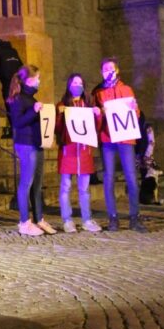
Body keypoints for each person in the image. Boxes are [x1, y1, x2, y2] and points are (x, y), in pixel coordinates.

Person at [92, 57, 146, 232]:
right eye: (105, 69)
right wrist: (98, 113)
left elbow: (135, 115)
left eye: (111, 68)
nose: (108, 72)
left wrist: (135, 108)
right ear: (102, 72)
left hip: (125, 138)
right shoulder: (98, 93)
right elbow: (96, 120)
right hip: (107, 139)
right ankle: (113, 218)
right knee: (108, 178)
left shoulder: (126, 89)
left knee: (131, 177)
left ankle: (134, 216)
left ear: (117, 70)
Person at [7, 64, 55, 235]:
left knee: (37, 184)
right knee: (26, 183)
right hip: (26, 144)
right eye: (36, 79)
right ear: (26, 80)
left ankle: (39, 218)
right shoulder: (18, 98)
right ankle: (24, 221)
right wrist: (33, 112)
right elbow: (17, 122)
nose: (38, 82)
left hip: (37, 143)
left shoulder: (32, 99)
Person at [56, 73, 101, 232]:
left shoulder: (88, 105)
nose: (77, 85)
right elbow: (58, 129)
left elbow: (96, 128)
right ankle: (67, 220)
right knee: (65, 187)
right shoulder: (62, 105)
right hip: (68, 151)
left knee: (84, 189)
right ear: (69, 85)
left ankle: (87, 219)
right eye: (75, 82)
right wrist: (60, 115)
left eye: (80, 82)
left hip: (84, 152)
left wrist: (97, 115)